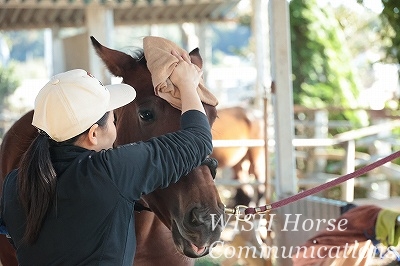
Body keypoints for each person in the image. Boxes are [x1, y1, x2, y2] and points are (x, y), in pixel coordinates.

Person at [0, 50, 212, 265]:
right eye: (113, 119)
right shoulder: (111, 172)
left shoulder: (14, 183)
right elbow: (198, 141)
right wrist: (187, 85)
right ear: (93, 134)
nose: (115, 124)